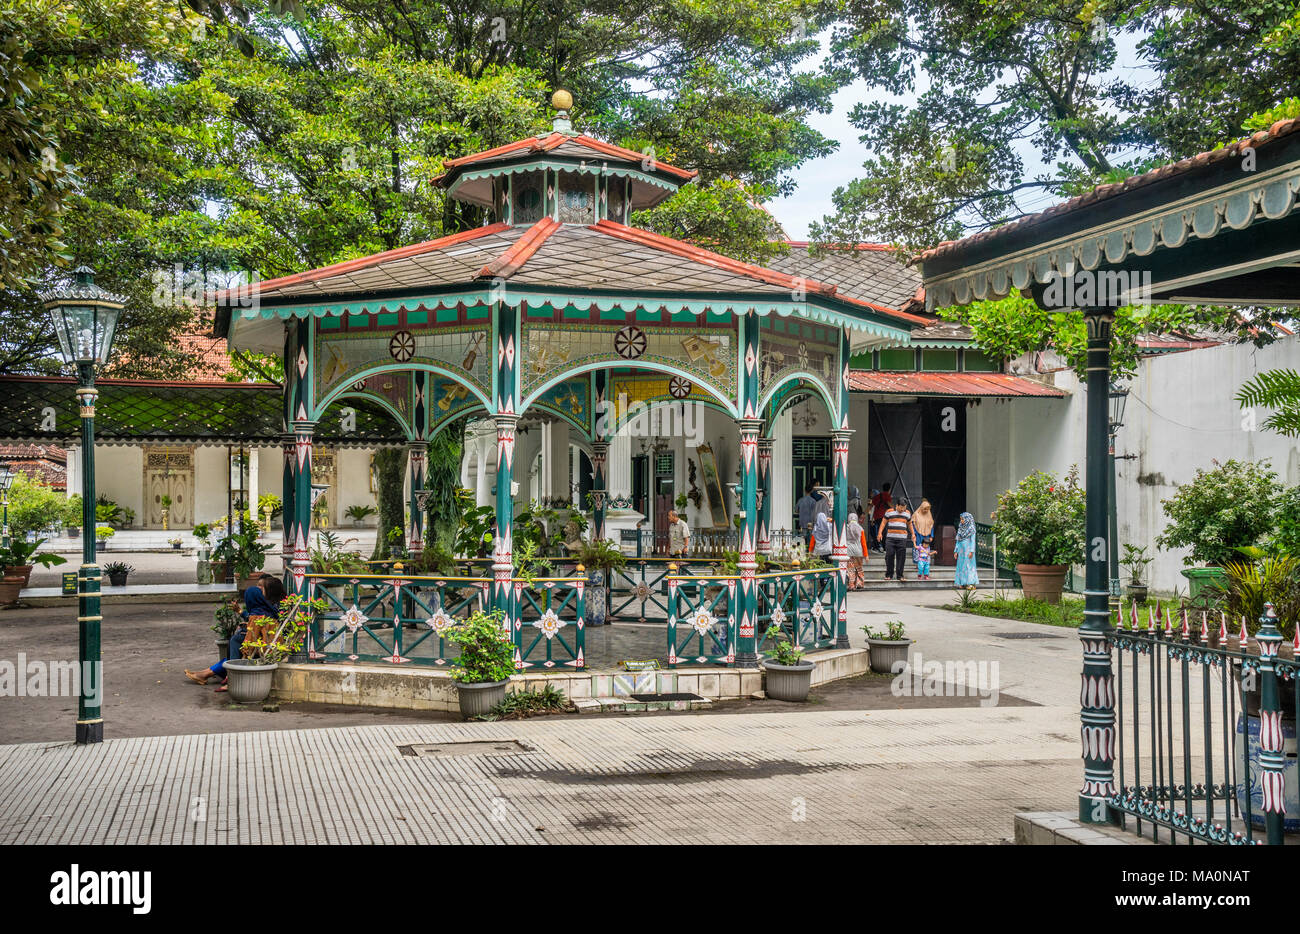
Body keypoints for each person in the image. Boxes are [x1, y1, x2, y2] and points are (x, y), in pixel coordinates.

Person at [185, 574, 285, 690]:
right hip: (264, 643)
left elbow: (257, 629)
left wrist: (245, 640)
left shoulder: (271, 608)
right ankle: (205, 673)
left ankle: (224, 676)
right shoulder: (268, 607)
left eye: (260, 587)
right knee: (235, 643)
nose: (257, 589)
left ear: (270, 591)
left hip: (265, 646)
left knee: (236, 641)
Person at [877, 497, 913, 581]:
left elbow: (909, 524)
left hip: (902, 539)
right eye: (901, 507)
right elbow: (883, 522)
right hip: (890, 539)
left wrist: (913, 534)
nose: (902, 510)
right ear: (897, 505)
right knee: (889, 556)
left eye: (904, 508)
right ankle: (889, 574)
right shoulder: (889, 512)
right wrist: (879, 533)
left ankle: (900, 575)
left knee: (901, 557)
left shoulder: (907, 513)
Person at [954, 511, 980, 588]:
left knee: (969, 566)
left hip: (968, 550)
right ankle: (962, 582)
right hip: (961, 551)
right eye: (961, 519)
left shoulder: (971, 529)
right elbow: (958, 541)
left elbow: (973, 541)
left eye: (963, 519)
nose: (961, 521)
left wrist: (972, 551)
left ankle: (971, 583)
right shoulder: (960, 528)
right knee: (961, 566)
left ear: (967, 519)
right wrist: (956, 551)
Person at [912, 499, 936, 572]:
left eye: (927, 509)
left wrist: (931, 536)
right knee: (918, 548)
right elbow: (913, 525)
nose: (926, 511)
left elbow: (931, 525)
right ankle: (917, 564)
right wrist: (914, 534)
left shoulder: (929, 515)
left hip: (926, 536)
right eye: (924, 509)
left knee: (926, 548)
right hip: (918, 535)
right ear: (921, 508)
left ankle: (925, 563)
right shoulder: (916, 515)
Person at [846, 511, 868, 590]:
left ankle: (851, 585)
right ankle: (860, 583)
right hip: (858, 552)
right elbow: (864, 543)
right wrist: (866, 555)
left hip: (848, 551)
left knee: (850, 569)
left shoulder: (846, 528)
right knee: (859, 568)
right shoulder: (860, 528)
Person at [869, 484, 892, 552]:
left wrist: (865, 513)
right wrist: (896, 510)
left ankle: (877, 546)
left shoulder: (877, 496)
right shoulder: (886, 495)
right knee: (883, 532)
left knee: (879, 531)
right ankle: (883, 547)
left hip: (876, 517)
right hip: (883, 516)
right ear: (889, 489)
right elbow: (889, 503)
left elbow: (871, 506)